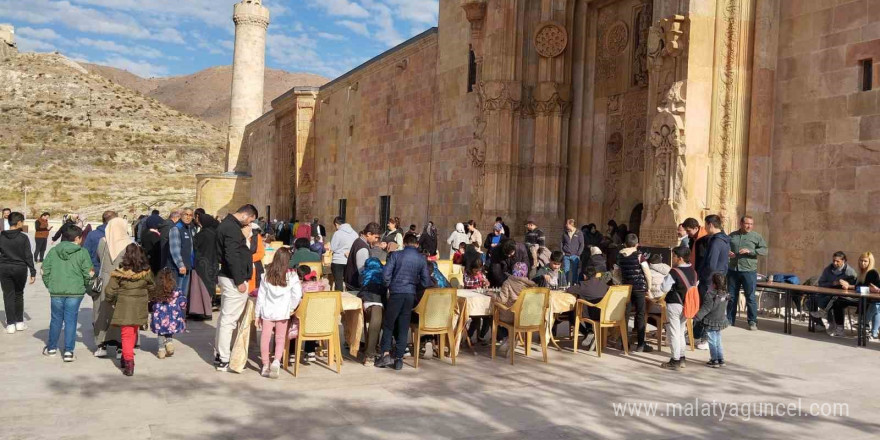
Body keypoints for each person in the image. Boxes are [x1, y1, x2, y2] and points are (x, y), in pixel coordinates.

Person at [375, 233, 433, 370]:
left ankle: (386, 353)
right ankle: (399, 358)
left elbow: (385, 274)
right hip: (410, 294)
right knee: (403, 325)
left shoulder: (396, 255)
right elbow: (426, 281)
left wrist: (389, 285)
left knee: (389, 324)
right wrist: (413, 286)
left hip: (396, 292)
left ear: (405, 243)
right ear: (416, 244)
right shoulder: (421, 259)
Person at [214, 204, 258, 372]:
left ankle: (220, 354)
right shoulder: (232, 229)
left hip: (228, 277)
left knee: (225, 318)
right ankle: (224, 358)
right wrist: (239, 281)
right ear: (247, 216)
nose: (249, 224)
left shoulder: (227, 225)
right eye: (250, 220)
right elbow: (231, 255)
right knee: (229, 320)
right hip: (233, 279)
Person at [41, 223, 91, 360]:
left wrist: (50, 285)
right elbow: (89, 273)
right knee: (71, 320)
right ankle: (69, 351)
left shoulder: (53, 251)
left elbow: (45, 271)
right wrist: (85, 286)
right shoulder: (82, 252)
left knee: (56, 319)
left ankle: (51, 348)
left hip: (56, 291)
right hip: (75, 292)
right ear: (77, 238)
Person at [104, 244, 152, 376]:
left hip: (124, 306)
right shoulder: (146, 272)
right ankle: (126, 357)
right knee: (133, 331)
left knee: (126, 335)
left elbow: (109, 290)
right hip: (139, 307)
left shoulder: (119, 273)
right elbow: (152, 288)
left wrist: (112, 301)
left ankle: (129, 363)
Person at [255, 247, 302, 378]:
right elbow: (297, 295)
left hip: (267, 312)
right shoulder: (292, 276)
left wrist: (257, 314)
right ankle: (276, 360)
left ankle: (265, 365)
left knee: (265, 338)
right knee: (280, 338)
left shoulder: (265, 275)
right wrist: (291, 307)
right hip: (283, 312)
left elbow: (260, 297)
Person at [93, 217, 133, 357]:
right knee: (121, 313)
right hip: (123, 280)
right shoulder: (129, 244)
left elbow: (98, 258)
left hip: (105, 279)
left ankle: (101, 345)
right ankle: (121, 346)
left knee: (103, 312)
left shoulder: (103, 242)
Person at [694, 214, 730, 349]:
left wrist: (703, 276)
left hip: (710, 280)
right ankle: (699, 336)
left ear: (710, 224)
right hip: (719, 279)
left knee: (707, 309)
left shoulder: (716, 241)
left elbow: (711, 264)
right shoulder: (724, 240)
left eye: (705, 225)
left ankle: (705, 339)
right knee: (712, 309)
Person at [726, 215, 768, 330]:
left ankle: (752, 321)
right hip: (733, 270)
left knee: (750, 297)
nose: (749, 226)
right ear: (741, 223)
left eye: (751, 224)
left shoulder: (756, 236)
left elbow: (764, 250)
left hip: (748, 271)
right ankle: (730, 320)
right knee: (731, 297)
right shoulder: (732, 236)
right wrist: (728, 252)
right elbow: (725, 247)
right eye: (747, 223)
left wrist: (750, 251)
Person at [659, 246, 697, 370]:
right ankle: (681, 358)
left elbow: (664, 288)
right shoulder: (693, 271)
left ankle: (675, 360)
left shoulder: (674, 272)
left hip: (675, 304)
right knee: (681, 331)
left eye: (674, 256)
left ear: (680, 258)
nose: (673, 258)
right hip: (687, 305)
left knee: (674, 332)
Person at [0, 212, 36, 333]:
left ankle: (10, 324)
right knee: (19, 294)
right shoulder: (23, 237)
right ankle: (19, 322)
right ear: (19, 222)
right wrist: (32, 271)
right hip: (20, 269)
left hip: (4, 268)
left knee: (8, 295)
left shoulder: (1, 236)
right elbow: (28, 255)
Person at [617, 233, 653, 352]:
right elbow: (647, 272)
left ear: (625, 244)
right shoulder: (639, 255)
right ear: (636, 244)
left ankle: (624, 343)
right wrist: (649, 287)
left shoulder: (620, 255)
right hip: (639, 288)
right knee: (640, 315)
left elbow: (616, 272)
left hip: (626, 288)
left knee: (626, 315)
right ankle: (641, 344)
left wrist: (620, 282)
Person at [811, 251, 860, 336]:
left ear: (843, 260)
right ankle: (821, 324)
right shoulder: (828, 269)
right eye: (833, 260)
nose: (835, 263)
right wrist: (833, 283)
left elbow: (854, 287)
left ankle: (826, 316)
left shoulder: (850, 272)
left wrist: (846, 286)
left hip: (843, 296)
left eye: (837, 261)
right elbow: (821, 283)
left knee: (834, 301)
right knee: (810, 300)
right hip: (827, 293)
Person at [493, 262, 536, 355]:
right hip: (527, 317)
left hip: (512, 316)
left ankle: (507, 337)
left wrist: (492, 296)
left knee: (493, 315)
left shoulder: (508, 282)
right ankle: (511, 339)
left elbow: (502, 300)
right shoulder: (532, 285)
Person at [566, 265, 609, 351]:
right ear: (596, 274)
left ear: (585, 276)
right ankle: (590, 333)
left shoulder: (583, 285)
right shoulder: (604, 284)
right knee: (588, 303)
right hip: (603, 313)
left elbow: (569, 290)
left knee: (571, 315)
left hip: (589, 314)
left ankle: (588, 332)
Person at [149, 268, 187, 359]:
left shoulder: (156, 290)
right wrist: (181, 307)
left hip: (159, 317)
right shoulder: (176, 290)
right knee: (169, 329)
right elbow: (182, 303)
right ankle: (169, 344)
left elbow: (151, 302)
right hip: (172, 316)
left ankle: (161, 350)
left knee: (160, 333)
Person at [355, 257, 386, 366]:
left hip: (365, 304)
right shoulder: (384, 274)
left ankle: (369, 353)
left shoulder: (363, 274)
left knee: (372, 327)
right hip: (379, 305)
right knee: (375, 328)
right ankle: (371, 354)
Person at [695, 272, 730, 368]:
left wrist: (696, 317)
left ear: (713, 284)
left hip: (710, 321)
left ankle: (714, 360)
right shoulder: (725, 295)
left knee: (712, 341)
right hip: (720, 320)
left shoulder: (711, 295)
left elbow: (706, 309)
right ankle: (720, 359)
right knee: (718, 340)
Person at [190, 211, 219, 317]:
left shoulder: (201, 235)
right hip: (213, 263)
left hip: (201, 264)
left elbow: (195, 248)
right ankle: (208, 311)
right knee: (209, 287)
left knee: (200, 288)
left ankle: (201, 312)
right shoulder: (215, 233)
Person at [344, 222, 382, 291]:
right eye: (375, 237)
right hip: (356, 285)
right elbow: (362, 270)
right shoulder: (363, 248)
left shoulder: (358, 241)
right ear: (368, 234)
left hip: (352, 282)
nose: (376, 240)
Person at [852, 252, 880, 340]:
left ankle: (864, 324)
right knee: (876, 310)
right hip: (867, 299)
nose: (862, 263)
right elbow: (861, 287)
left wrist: (858, 288)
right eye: (861, 260)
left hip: (874, 299)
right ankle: (873, 332)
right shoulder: (861, 273)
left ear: (870, 262)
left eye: (865, 261)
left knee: (876, 306)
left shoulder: (872, 272)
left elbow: (868, 289)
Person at [328, 217, 358, 291]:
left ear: (336, 224)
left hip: (338, 260)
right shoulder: (354, 233)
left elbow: (333, 248)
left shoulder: (337, 233)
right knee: (349, 282)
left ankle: (339, 299)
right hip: (349, 260)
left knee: (338, 283)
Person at [561, 219, 585, 286]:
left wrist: (578, 253)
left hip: (575, 255)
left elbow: (582, 244)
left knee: (574, 271)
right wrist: (562, 251)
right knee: (566, 270)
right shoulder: (565, 233)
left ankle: (574, 284)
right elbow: (562, 243)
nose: (566, 225)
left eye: (567, 224)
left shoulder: (579, 233)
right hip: (566, 255)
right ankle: (565, 284)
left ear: (571, 224)